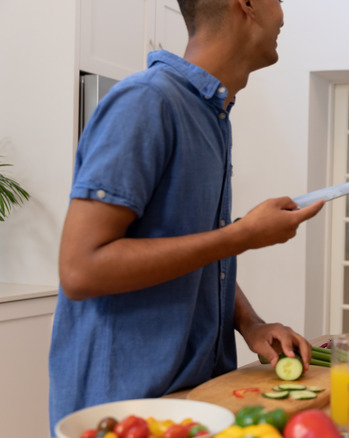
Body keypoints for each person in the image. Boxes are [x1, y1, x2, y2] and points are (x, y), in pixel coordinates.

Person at [48, 0, 324, 431]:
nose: (284, 12)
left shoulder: (213, 116)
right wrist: (243, 236)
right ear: (247, 5)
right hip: (124, 410)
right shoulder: (146, 101)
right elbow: (81, 270)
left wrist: (250, 324)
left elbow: (193, 247)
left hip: (189, 399)